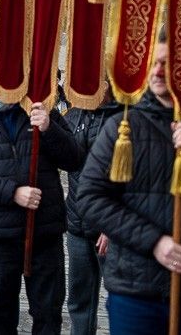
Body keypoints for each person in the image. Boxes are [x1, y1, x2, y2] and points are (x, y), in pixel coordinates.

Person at [0, 55, 83, 335]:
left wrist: (49, 128)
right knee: (2, 314)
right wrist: (13, 193)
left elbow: (74, 158)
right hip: (0, 231)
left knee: (47, 313)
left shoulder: (37, 108)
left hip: (44, 230)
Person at [78, 36, 181, 333]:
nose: (158, 71)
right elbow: (89, 198)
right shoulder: (123, 127)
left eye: (168, 63)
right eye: (153, 63)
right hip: (136, 288)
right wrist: (154, 241)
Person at [62, 92, 121, 335]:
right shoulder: (73, 115)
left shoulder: (123, 119)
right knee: (79, 297)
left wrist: (113, 225)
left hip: (111, 226)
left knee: (119, 297)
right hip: (77, 221)